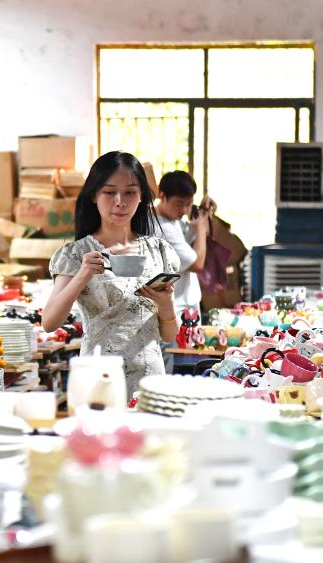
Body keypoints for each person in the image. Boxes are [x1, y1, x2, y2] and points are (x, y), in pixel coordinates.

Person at [42, 151, 180, 398]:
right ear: (94, 195)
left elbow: (169, 335)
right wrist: (82, 275)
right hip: (98, 378)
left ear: (142, 196)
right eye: (109, 192)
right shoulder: (76, 254)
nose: (120, 201)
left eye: (130, 192)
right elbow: (49, 323)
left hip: (149, 380)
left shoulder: (160, 252)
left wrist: (166, 303)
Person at [155, 170, 216, 314]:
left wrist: (203, 213)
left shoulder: (172, 219)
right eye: (179, 203)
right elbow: (197, 264)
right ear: (162, 196)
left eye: (189, 204)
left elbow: (200, 238)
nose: (184, 210)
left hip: (184, 306)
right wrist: (200, 226)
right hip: (177, 310)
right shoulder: (162, 228)